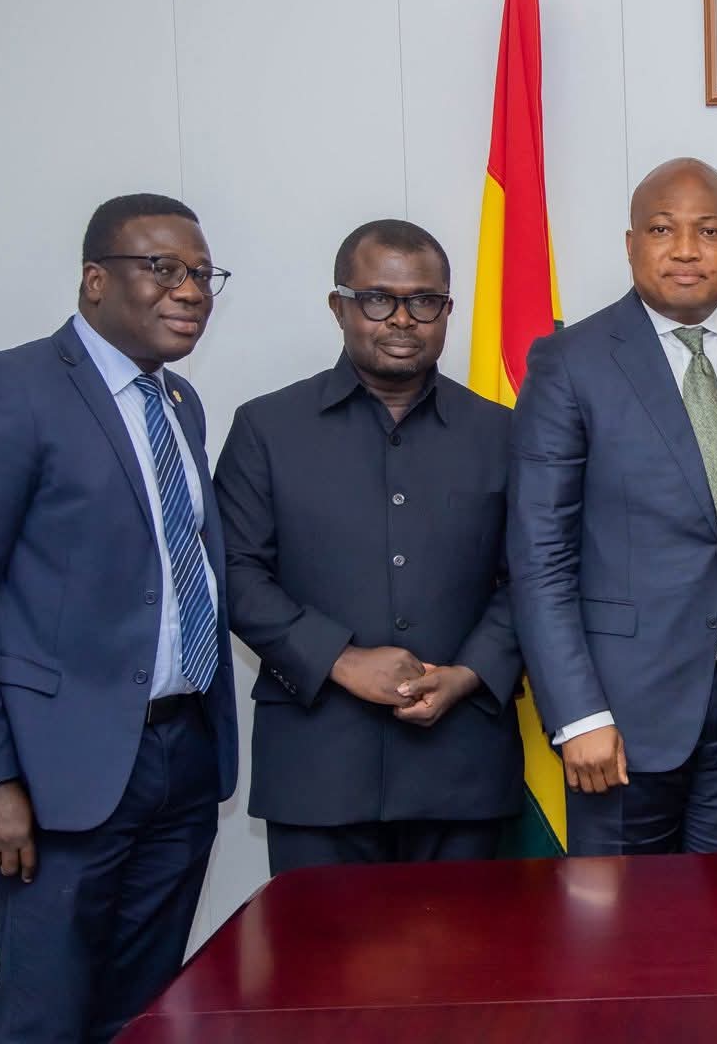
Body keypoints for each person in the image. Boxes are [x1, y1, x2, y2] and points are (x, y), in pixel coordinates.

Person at [0, 194, 237, 1042]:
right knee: (46, 1018)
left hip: (181, 757)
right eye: (163, 268)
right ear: (95, 279)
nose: (190, 290)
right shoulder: (10, 389)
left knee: (144, 1015)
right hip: (58, 774)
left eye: (203, 275)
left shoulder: (179, 404)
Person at [509, 157, 717, 854]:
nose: (687, 250)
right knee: (624, 919)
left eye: (709, 231)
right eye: (663, 229)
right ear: (631, 243)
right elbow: (540, 556)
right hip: (618, 714)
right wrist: (577, 714)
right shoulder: (570, 362)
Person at [215, 220, 522, 873]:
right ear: (340, 306)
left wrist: (469, 673)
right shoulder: (268, 428)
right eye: (379, 299)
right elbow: (234, 572)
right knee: (318, 945)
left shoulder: (501, 433)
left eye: (424, 301)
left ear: (448, 310)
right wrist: (341, 659)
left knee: (466, 945)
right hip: (317, 765)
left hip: (462, 764)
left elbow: (532, 575)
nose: (402, 319)